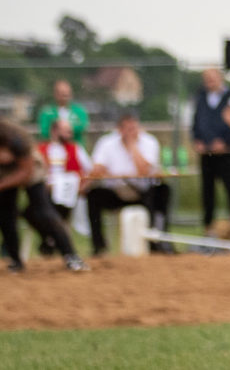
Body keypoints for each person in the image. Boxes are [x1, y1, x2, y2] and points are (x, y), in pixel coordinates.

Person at [0, 118, 87, 273]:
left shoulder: (17, 138)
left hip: (30, 170)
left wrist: (2, 185)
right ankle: (16, 261)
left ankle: (71, 256)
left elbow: (26, 174)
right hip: (4, 173)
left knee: (44, 212)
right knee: (6, 216)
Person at [86, 113, 173, 256]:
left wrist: (132, 146)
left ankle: (157, 243)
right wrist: (100, 169)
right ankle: (99, 246)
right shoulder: (106, 143)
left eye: (134, 128)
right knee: (93, 196)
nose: (132, 132)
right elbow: (96, 170)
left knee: (163, 191)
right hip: (117, 192)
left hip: (143, 193)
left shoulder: (149, 142)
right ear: (119, 130)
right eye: (128, 129)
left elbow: (143, 170)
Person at [190, 67, 230, 232]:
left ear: (220, 78)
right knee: (207, 192)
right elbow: (196, 121)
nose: (209, 81)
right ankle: (208, 227)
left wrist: (226, 142)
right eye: (207, 78)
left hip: (226, 153)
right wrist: (197, 140)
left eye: (213, 77)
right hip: (206, 152)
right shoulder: (201, 97)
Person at [37, 117, 90, 256]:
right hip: (45, 193)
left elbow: (90, 171)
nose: (70, 135)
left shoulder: (75, 148)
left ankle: (52, 240)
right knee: (34, 210)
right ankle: (52, 238)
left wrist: (82, 186)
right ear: (54, 131)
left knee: (60, 204)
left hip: (71, 193)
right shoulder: (40, 149)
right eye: (66, 131)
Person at [36, 79, 89, 146]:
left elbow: (83, 127)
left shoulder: (79, 111)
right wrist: (59, 132)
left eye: (67, 93)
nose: (65, 95)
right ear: (55, 94)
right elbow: (44, 131)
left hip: (75, 147)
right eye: (62, 93)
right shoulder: (47, 112)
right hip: (54, 148)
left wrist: (66, 130)